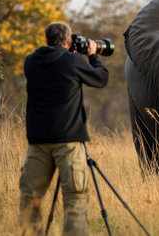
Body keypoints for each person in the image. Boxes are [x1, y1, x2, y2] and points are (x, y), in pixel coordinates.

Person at [19, 22, 108, 235]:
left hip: (38, 142)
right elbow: (101, 78)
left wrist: (70, 53)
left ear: (47, 40)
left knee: (30, 198)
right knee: (75, 199)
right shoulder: (73, 62)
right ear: (68, 41)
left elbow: (54, 63)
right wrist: (93, 54)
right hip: (68, 142)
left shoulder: (30, 62)